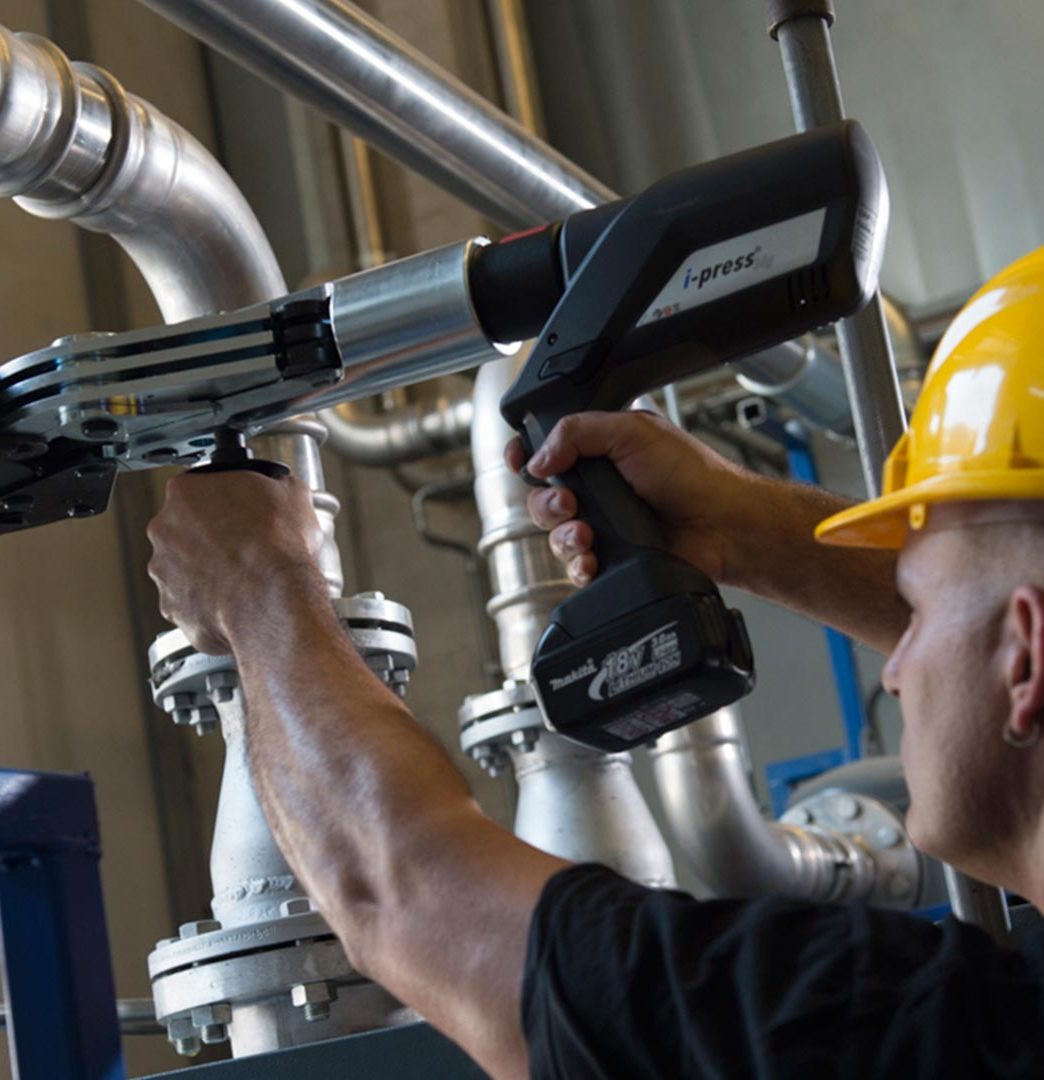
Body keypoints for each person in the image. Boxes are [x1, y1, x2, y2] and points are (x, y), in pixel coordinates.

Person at [147, 248, 1044, 1078]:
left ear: (1028, 658)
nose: (896, 667)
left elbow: (405, 892)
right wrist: (732, 523)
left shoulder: (907, 1036)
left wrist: (256, 588)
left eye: (917, 610)